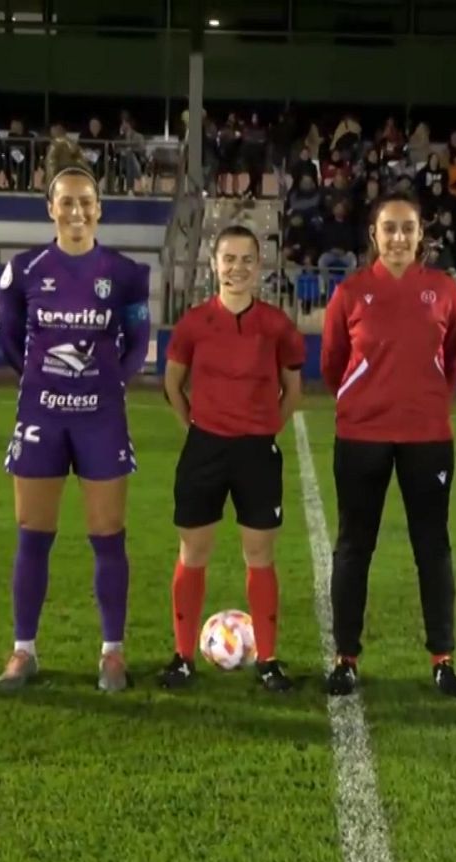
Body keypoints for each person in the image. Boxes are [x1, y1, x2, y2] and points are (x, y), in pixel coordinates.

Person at [0, 139, 152, 693]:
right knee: (32, 535)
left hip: (101, 417)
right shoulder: (25, 270)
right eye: (67, 202)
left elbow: (138, 341)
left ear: (99, 208)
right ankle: (23, 651)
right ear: (51, 209)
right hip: (43, 412)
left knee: (108, 535)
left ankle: (112, 652)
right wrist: (44, 382)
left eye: (86, 201)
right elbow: (11, 340)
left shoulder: (126, 273)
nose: (77, 211)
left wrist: (108, 382)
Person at [320, 190, 456, 698]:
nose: (400, 237)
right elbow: (332, 363)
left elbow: (454, 360)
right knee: (353, 547)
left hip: (427, 437)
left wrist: (423, 402)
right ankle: (345, 658)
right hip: (361, 435)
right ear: (374, 235)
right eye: (390, 228)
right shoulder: (351, 293)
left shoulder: (445, 290)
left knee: (432, 548)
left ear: (421, 234)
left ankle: (443, 660)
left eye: (408, 228)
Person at [161, 225, 303, 691]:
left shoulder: (276, 325)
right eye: (228, 259)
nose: (236, 268)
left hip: (257, 452)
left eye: (246, 260)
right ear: (214, 264)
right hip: (205, 448)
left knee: (259, 554)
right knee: (193, 551)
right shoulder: (193, 324)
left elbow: (292, 388)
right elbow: (172, 384)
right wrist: (197, 429)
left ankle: (268, 658)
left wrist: (264, 431)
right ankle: (183, 657)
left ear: (258, 266)